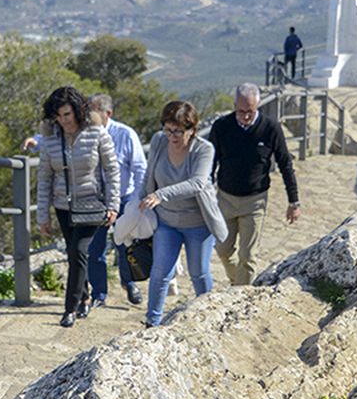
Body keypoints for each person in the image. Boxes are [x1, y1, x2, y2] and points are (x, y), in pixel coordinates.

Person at [34, 86, 119, 328]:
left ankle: (69, 309)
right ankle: (85, 297)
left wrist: (113, 205)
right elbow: (44, 178)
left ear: (78, 111)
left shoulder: (97, 133)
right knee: (74, 254)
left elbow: (112, 170)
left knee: (80, 250)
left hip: (91, 203)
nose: (63, 121)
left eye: (67, 114)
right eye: (58, 116)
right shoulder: (50, 139)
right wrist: (43, 216)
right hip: (64, 206)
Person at [139, 100, 227, 327]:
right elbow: (149, 174)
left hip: (197, 223)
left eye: (178, 131)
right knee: (160, 273)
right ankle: (152, 322)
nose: (172, 136)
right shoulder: (159, 141)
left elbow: (197, 183)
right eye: (168, 130)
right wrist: (138, 204)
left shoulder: (203, 150)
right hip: (166, 221)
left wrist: (161, 194)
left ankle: (209, 317)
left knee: (198, 273)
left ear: (192, 130)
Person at [208, 83, 301, 286]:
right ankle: (237, 282)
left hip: (255, 201)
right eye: (241, 111)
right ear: (235, 105)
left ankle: (241, 294)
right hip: (225, 198)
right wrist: (205, 196)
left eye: (250, 111)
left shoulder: (270, 128)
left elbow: (285, 164)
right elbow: (210, 163)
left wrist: (293, 201)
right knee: (223, 250)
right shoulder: (221, 127)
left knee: (248, 256)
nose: (246, 116)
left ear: (257, 106)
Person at [86, 93, 147, 308]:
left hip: (124, 198)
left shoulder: (125, 134)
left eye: (93, 110)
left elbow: (140, 168)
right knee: (95, 248)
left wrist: (137, 200)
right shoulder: (85, 134)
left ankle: (129, 283)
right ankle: (98, 293)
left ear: (107, 113)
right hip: (96, 199)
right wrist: (37, 141)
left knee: (126, 245)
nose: (88, 115)